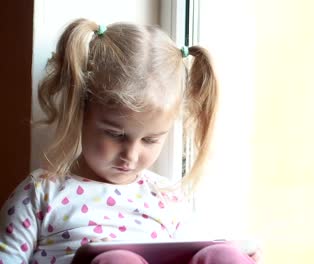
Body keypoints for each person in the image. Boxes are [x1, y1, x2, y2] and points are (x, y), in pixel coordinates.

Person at [0, 18, 258, 264]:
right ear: (81, 111)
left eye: (150, 140)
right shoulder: (41, 193)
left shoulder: (167, 198)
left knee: (222, 255)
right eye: (115, 134)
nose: (131, 156)